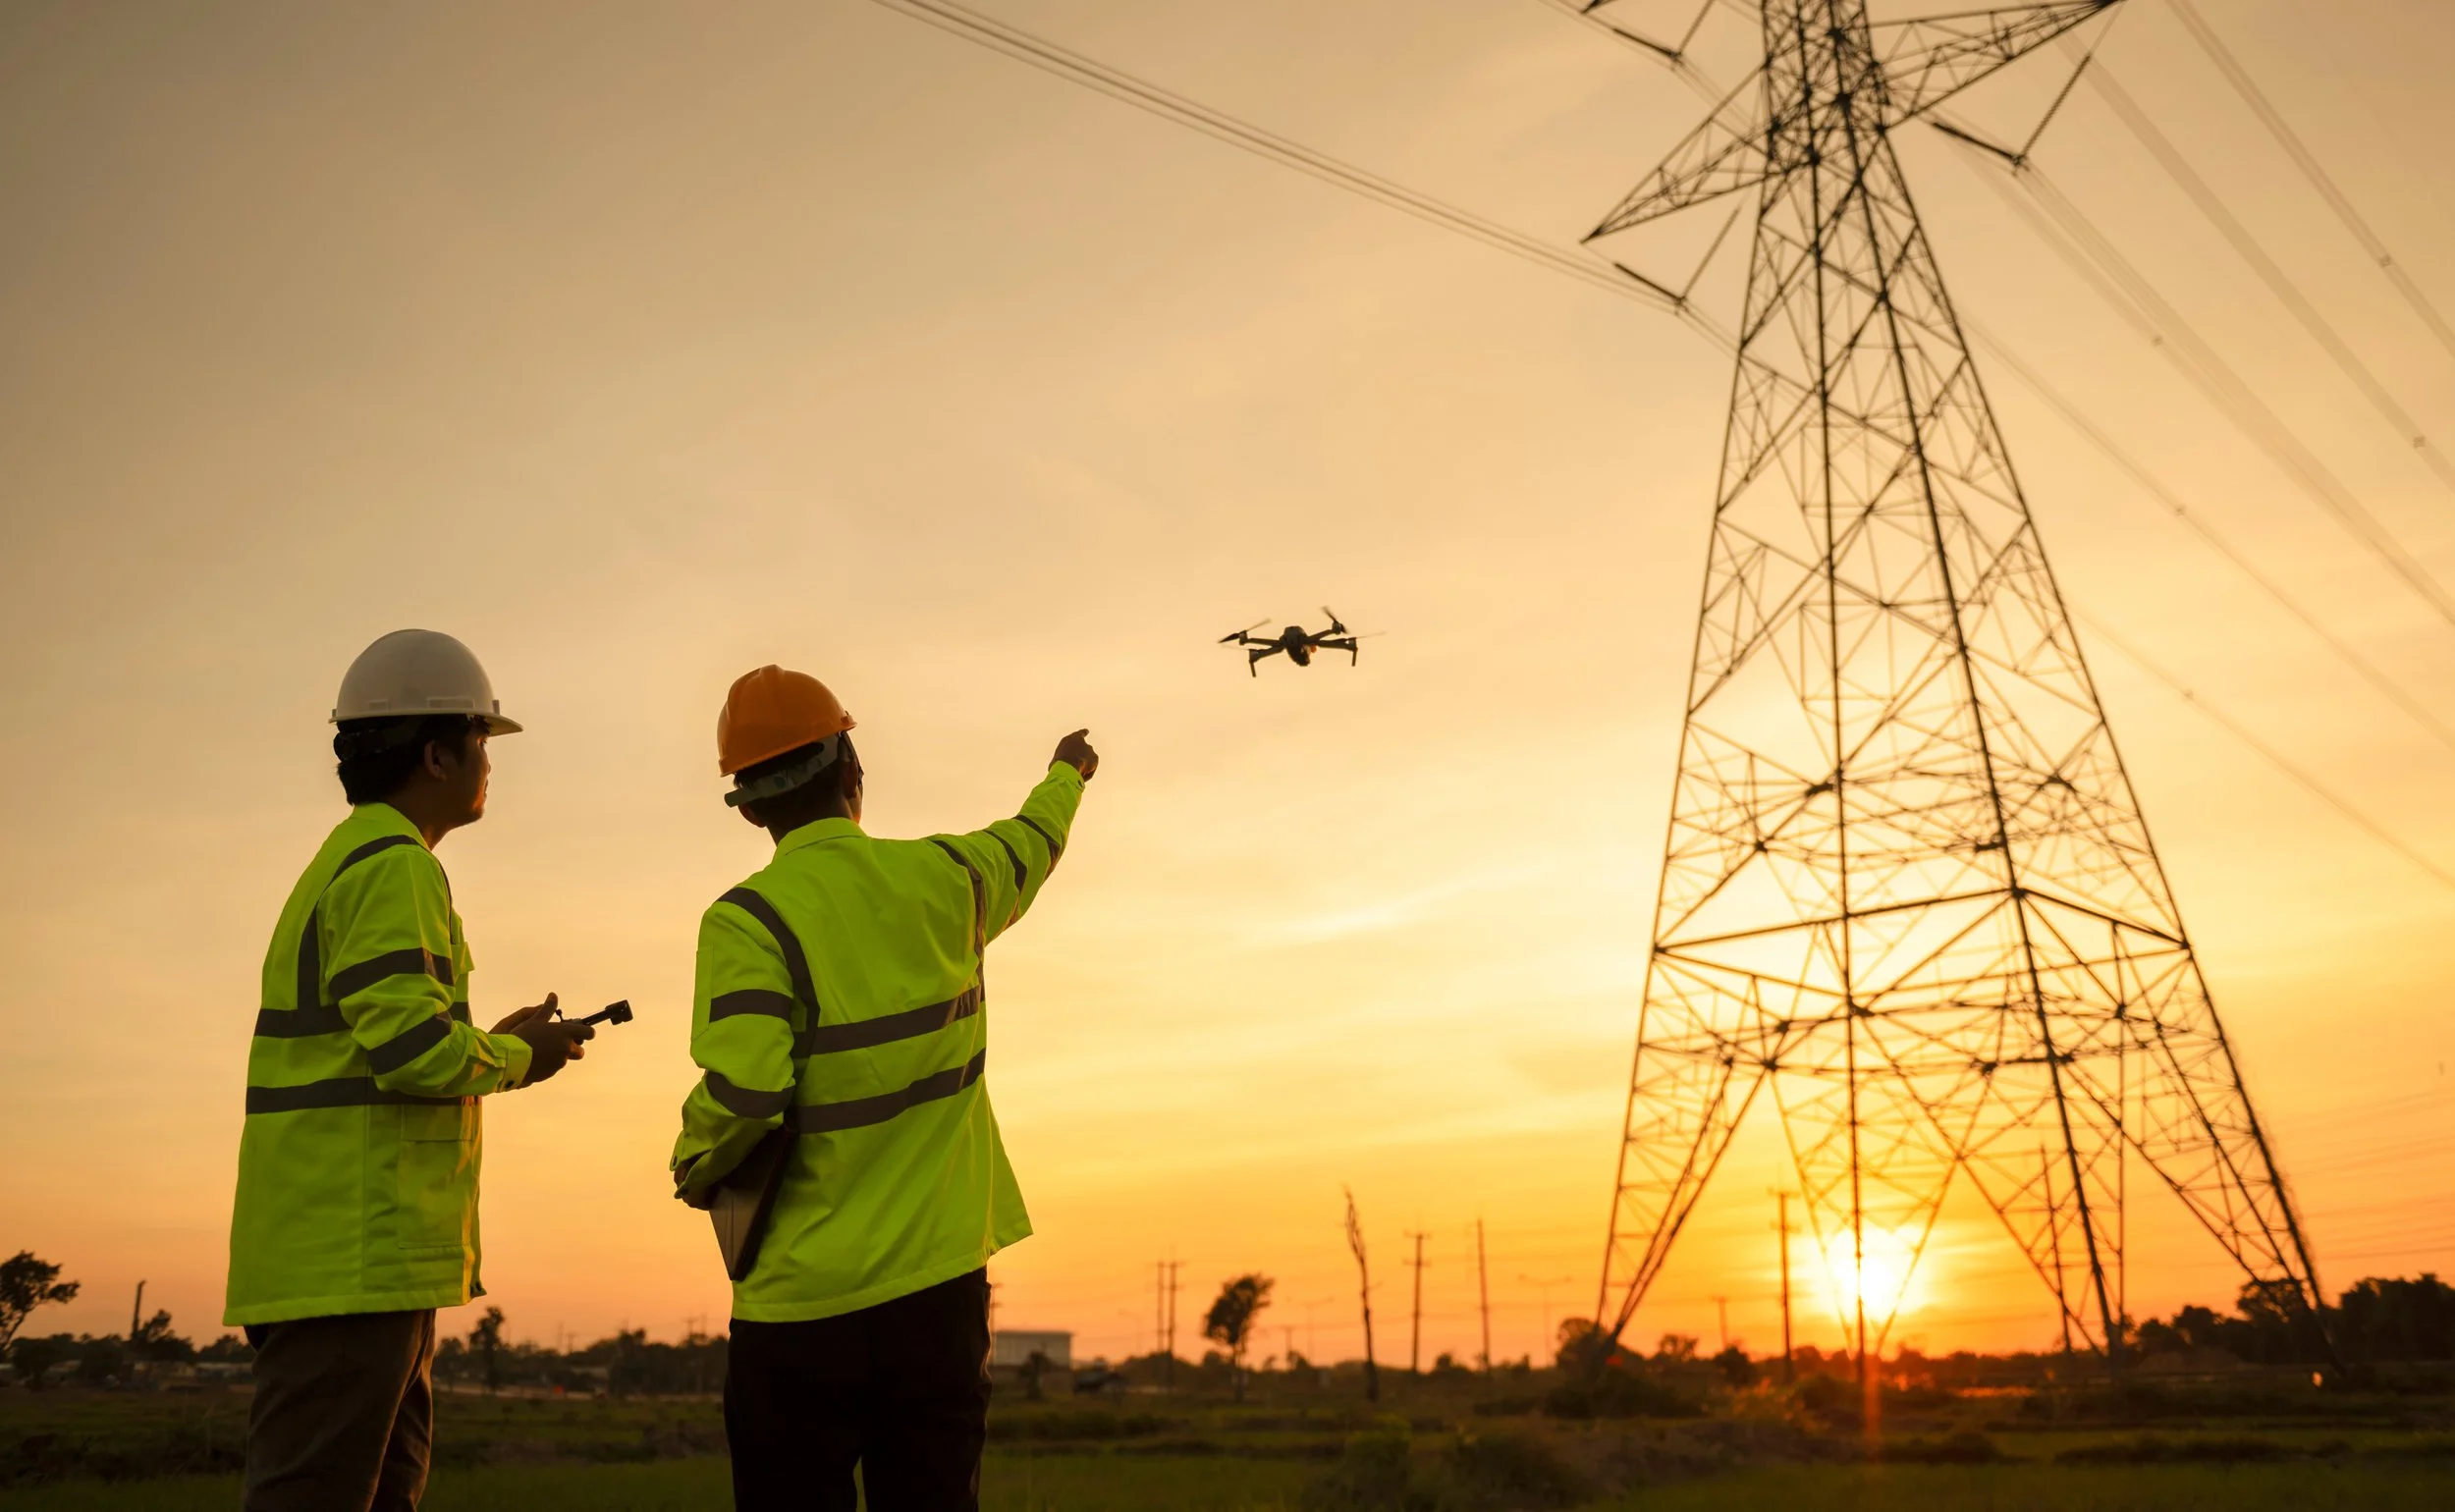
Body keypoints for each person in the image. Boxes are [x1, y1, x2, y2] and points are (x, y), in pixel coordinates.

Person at [672, 665, 1097, 1512]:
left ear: (749, 806)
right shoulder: (950, 880)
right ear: (852, 771)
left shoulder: (745, 923)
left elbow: (748, 1095)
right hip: (938, 1302)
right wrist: (1066, 772)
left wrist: (692, 1160)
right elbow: (1032, 841)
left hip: (798, 1313)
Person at [225, 629, 598, 1512]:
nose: (488, 764)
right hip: (352, 1262)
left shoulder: (353, 864)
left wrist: (488, 1038)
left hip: (357, 1261)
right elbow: (412, 1055)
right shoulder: (396, 870)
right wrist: (521, 1058)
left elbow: (395, 1036)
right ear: (436, 752)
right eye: (480, 741)